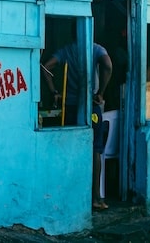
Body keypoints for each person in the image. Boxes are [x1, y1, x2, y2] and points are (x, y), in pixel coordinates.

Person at [41, 39, 112, 210]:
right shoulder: (96, 49)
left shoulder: (66, 50)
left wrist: (54, 92)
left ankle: (71, 196)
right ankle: (95, 198)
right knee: (95, 151)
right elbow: (108, 66)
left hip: (70, 107)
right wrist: (101, 92)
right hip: (91, 107)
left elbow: (45, 67)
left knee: (71, 150)